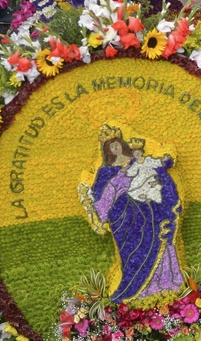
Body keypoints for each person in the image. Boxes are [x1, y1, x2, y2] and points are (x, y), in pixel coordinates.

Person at [80, 124, 183, 302]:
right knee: (132, 254)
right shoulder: (105, 171)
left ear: (122, 144)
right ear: (107, 150)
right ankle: (133, 289)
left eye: (117, 144)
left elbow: (159, 171)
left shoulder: (138, 161)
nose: (115, 148)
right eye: (111, 146)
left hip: (150, 211)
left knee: (158, 241)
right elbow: (101, 196)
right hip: (124, 219)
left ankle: (160, 284)